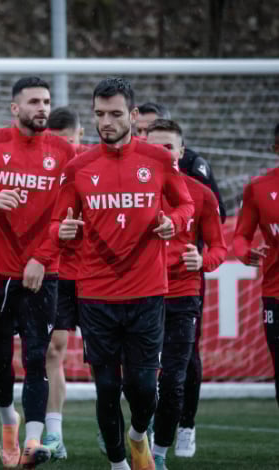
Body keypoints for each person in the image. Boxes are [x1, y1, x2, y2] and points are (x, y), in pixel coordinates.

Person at [51, 77, 194, 470]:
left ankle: (137, 434)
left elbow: (185, 206)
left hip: (147, 291)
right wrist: (62, 230)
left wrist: (174, 222)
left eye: (115, 114)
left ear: (133, 115)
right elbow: (56, 222)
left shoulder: (158, 160)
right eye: (99, 114)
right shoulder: (78, 167)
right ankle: (118, 464)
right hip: (96, 295)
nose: (106, 122)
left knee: (144, 387)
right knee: (107, 387)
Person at [0, 76, 76, 468]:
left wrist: (42, 259)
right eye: (33, 102)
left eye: (46, 101)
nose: (42, 108)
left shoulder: (64, 151)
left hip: (42, 272)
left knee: (36, 355)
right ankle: (8, 422)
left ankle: (33, 441)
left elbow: (68, 215)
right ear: (15, 108)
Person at [135, 101, 227, 458]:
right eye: (154, 147)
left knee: (175, 377)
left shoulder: (201, 193)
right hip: (140, 294)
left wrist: (202, 260)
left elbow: (219, 246)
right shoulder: (133, 191)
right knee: (141, 380)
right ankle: (139, 433)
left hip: (183, 293)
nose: (162, 153)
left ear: (181, 151)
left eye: (168, 147)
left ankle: (162, 450)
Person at [42, 106, 88, 461]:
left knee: (103, 357)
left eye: (67, 141)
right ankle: (53, 432)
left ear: (80, 136)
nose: (62, 148)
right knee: (52, 349)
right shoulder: (40, 168)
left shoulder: (91, 166)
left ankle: (113, 424)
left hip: (92, 274)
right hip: (55, 270)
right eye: (55, 141)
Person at [233, 129, 279, 409]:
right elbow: (241, 236)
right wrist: (243, 253)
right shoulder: (259, 187)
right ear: (276, 147)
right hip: (275, 293)